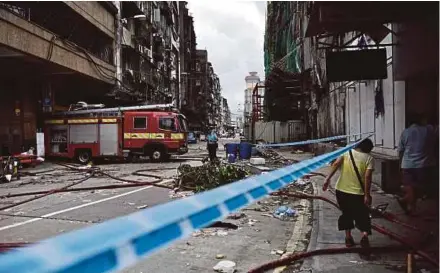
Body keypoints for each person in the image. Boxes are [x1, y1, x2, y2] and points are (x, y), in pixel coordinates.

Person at [323, 138, 374, 249]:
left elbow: (336, 163)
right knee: (363, 214)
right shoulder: (369, 158)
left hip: (341, 191)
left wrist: (327, 178)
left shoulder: (346, 152)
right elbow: (367, 177)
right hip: (358, 193)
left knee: (347, 214)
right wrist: (366, 194)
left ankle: (348, 238)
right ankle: (364, 236)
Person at [397, 114, 437, 215]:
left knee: (410, 187)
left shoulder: (405, 132)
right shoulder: (428, 130)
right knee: (419, 188)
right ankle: (406, 201)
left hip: (407, 164)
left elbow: (401, 151)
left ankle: (409, 206)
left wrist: (400, 165)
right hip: (424, 165)